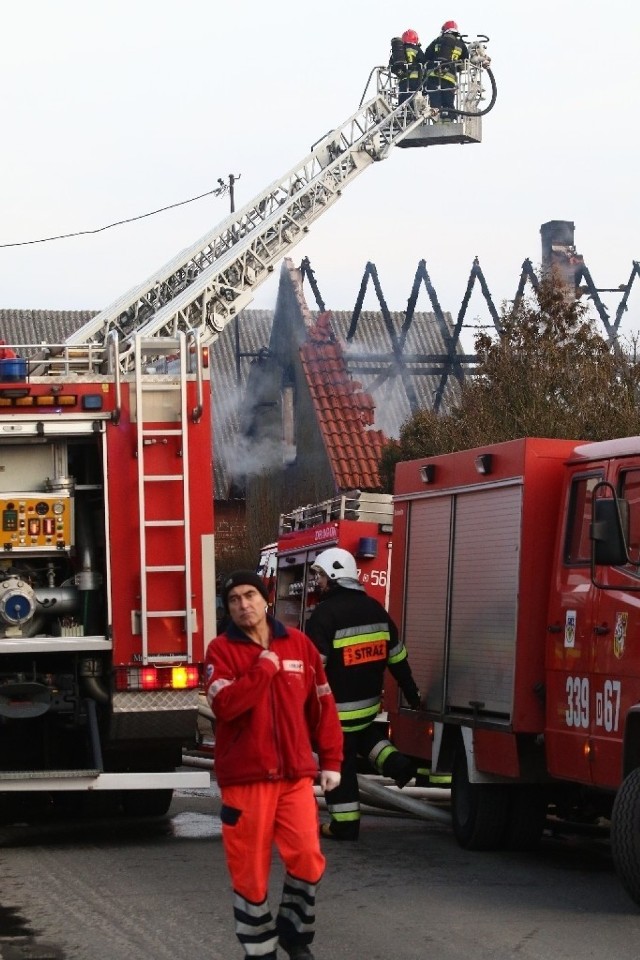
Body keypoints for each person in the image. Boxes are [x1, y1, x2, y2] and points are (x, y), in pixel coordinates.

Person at [205, 570, 343, 960]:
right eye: (234, 599)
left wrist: (331, 760)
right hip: (246, 780)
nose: (243, 604)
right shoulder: (220, 651)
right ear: (227, 607)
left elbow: (323, 707)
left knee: (308, 858)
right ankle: (259, 949)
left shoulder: (298, 644)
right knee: (249, 873)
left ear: (265, 598)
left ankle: (294, 937)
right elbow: (227, 706)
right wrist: (264, 667)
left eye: (249, 595)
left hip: (294, 777)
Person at [305, 548, 422, 841]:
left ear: (332, 577)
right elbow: (397, 659)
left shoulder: (323, 615)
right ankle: (399, 765)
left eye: (319, 576)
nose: (317, 583)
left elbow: (312, 670)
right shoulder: (375, 610)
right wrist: (413, 694)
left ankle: (345, 824)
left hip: (336, 712)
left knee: (338, 763)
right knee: (366, 736)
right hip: (367, 707)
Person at [423, 20, 470, 120]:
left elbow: (426, 56)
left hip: (433, 77)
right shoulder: (460, 44)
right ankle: (448, 121)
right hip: (449, 79)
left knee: (435, 104)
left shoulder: (436, 41)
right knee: (448, 103)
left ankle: (437, 123)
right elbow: (465, 62)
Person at [389, 29, 424, 104]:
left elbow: (391, 66)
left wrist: (400, 72)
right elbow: (423, 62)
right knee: (415, 101)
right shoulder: (417, 49)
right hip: (415, 81)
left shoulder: (398, 52)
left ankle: (402, 111)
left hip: (403, 80)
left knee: (403, 101)